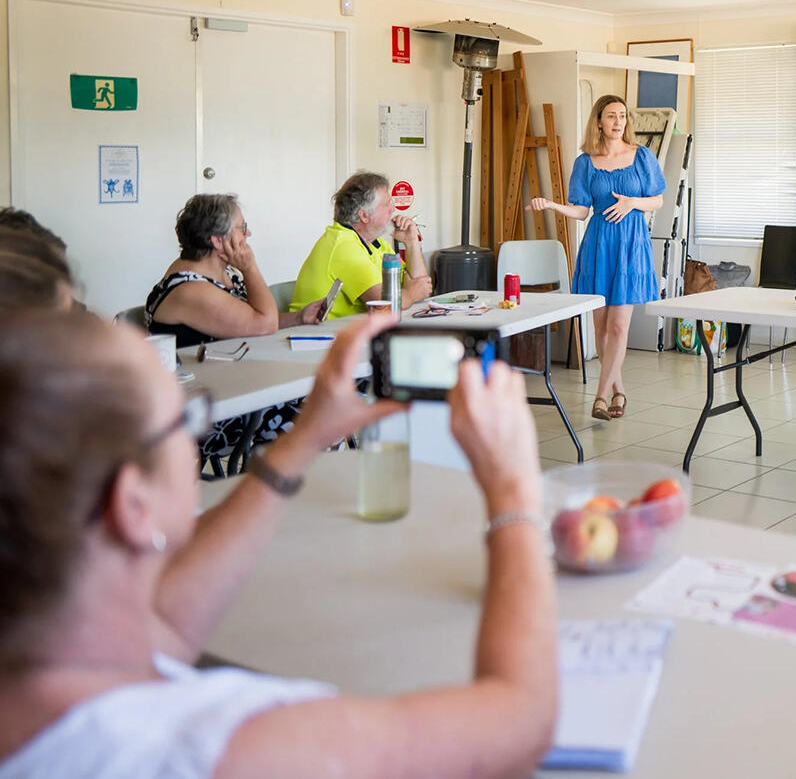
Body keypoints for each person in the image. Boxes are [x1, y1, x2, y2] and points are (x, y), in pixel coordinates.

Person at [0, 311, 557, 779]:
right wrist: (513, 489)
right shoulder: (229, 748)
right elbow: (519, 721)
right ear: (134, 504)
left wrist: (306, 435)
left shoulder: (62, 660)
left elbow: (167, 630)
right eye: (185, 419)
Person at [530, 95, 665, 421]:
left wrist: (632, 202)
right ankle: (619, 391)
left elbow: (657, 200)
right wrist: (552, 205)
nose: (618, 122)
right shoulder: (585, 162)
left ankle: (600, 397)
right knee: (601, 329)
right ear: (599, 122)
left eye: (623, 116)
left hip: (631, 245)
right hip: (598, 246)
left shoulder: (642, 156)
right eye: (611, 116)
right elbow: (581, 210)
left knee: (619, 326)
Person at [146, 194, 324, 348]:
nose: (248, 233)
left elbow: (250, 319)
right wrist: (250, 268)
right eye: (242, 228)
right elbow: (265, 324)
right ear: (218, 241)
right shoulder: (191, 290)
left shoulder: (226, 272)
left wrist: (298, 318)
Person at [291, 171, 431, 319]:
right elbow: (384, 304)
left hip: (350, 329)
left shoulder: (376, 244)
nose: (393, 209)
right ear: (364, 215)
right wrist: (411, 294)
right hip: (317, 331)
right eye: (387, 204)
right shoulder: (342, 245)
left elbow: (421, 285)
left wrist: (411, 242)